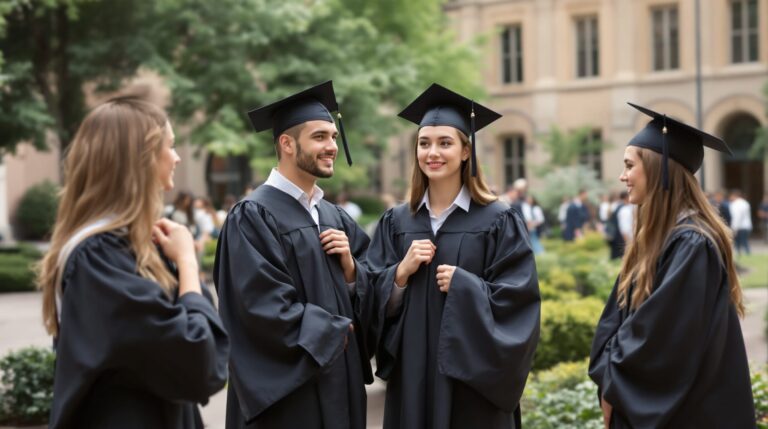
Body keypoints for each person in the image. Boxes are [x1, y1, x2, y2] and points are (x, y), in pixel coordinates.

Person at [37, 96, 230, 429]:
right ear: (138, 160)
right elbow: (198, 361)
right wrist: (186, 261)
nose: (177, 157)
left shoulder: (124, 249)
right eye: (169, 146)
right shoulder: (99, 258)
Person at [366, 83, 540, 429]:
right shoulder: (397, 222)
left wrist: (466, 286)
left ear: (465, 151)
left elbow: (520, 303)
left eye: (445, 143)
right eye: (424, 143)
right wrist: (399, 275)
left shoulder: (498, 220)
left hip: (473, 386)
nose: (433, 152)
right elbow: (367, 300)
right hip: (413, 378)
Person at [215, 81, 374, 429]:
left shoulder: (334, 215)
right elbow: (257, 308)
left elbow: (370, 282)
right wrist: (333, 332)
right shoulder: (252, 216)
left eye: (333, 136)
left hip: (341, 384)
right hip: (290, 398)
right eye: (319, 137)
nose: (332, 146)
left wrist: (351, 272)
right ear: (286, 144)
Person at [589, 102, 755, 428]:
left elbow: (662, 338)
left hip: (688, 412)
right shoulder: (657, 240)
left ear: (657, 168)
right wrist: (609, 378)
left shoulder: (693, 244)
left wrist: (614, 382)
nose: (622, 176)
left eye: (628, 165)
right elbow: (618, 319)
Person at [605, 191, 633, 260]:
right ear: (626, 197)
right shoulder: (623, 208)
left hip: (616, 233)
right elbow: (624, 228)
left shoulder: (617, 206)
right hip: (619, 235)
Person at [729, 189, 753, 256]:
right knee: (744, 241)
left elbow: (737, 216)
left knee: (739, 242)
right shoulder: (745, 203)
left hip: (740, 226)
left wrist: (734, 227)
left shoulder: (735, 204)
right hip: (746, 226)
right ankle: (746, 254)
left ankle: (743, 254)